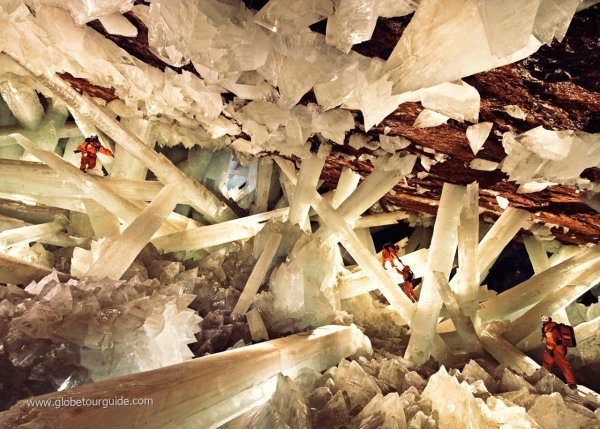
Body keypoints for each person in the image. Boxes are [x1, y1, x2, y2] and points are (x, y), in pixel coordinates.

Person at [541, 315, 577, 389]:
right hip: (560, 347)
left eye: (544, 319)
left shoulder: (549, 327)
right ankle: (542, 375)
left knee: (563, 365)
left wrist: (549, 349)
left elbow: (550, 339)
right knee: (548, 362)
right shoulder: (554, 325)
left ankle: (572, 383)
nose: (543, 320)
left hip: (555, 348)